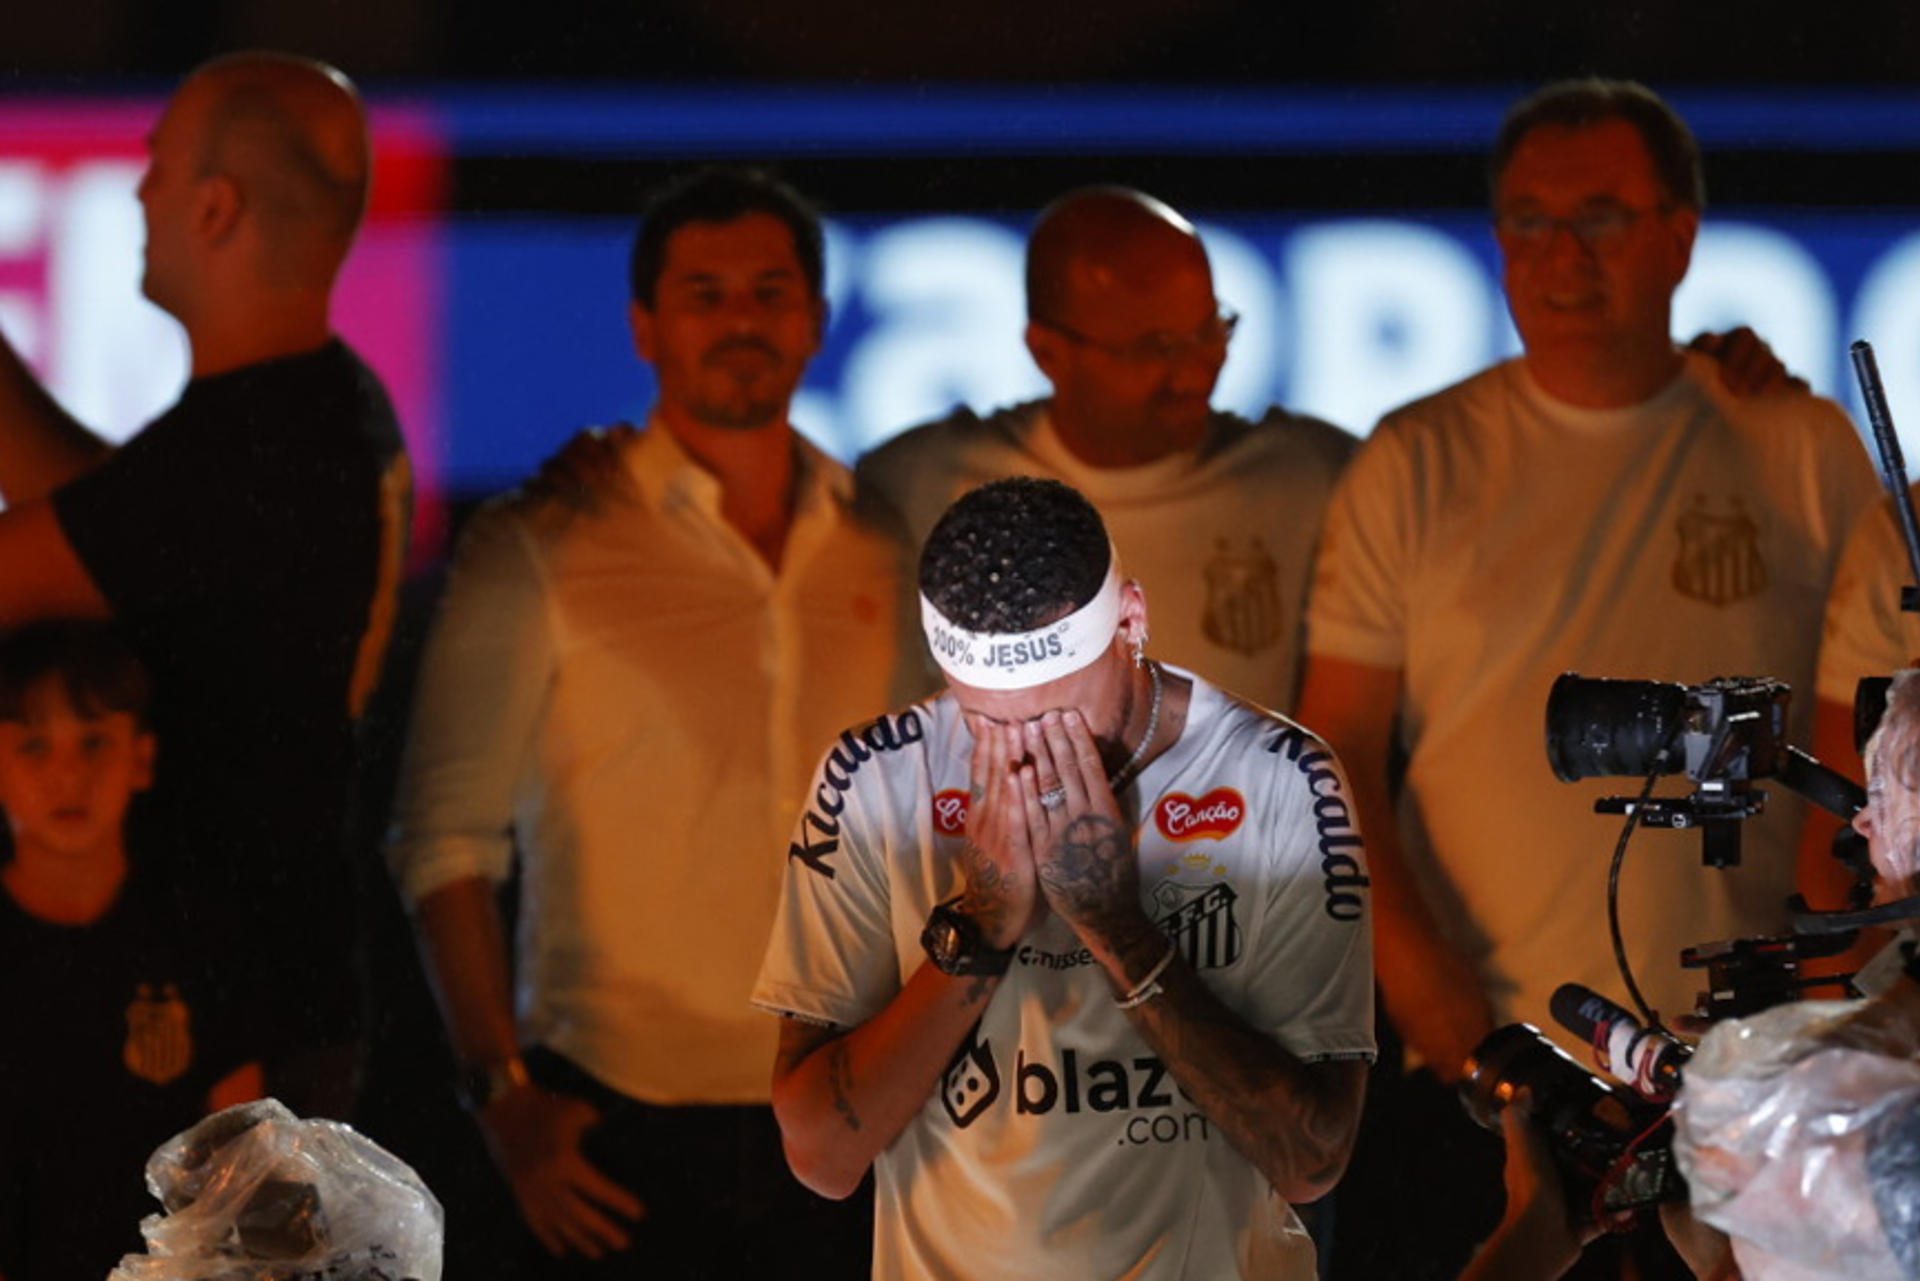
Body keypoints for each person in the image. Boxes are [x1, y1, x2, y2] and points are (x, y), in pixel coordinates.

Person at [1297, 78, 1880, 1279]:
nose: (1562, 257)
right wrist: (1465, 1045)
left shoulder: (1797, 442)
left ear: (1680, 233)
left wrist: (1815, 1033)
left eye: (1603, 217)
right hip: (1485, 1082)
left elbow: (1870, 749)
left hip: (1752, 1079)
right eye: (1529, 221)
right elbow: (1335, 756)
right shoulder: (1415, 460)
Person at [386, 167, 897, 1277]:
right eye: (704, 293)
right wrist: (501, 1099)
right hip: (619, 1124)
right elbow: (441, 842)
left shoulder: (887, 543)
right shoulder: (545, 541)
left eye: (769, 291)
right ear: (645, 325)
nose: (740, 321)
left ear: (814, 318)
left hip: (859, 1109)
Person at [754, 476, 1375, 1280]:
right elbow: (822, 1158)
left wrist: (1116, 926)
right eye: (985, 720)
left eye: (1057, 717)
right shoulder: (877, 776)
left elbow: (1312, 1160)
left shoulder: (1281, 779)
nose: (1025, 755)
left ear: (1132, 621)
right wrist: (978, 923)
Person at [0, 52, 412, 1118]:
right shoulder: (315, 411)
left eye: (158, 166)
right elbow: (113, 518)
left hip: (223, 1032)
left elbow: (77, 544)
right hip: (265, 991)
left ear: (216, 208)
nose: (138, 193)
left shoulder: (247, 454)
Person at [856, 185, 1356, 714]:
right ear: (1048, 351)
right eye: (1153, 349)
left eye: (1210, 330)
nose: (1193, 373)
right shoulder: (919, 483)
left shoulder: (1310, 477)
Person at [0, 622, 263, 1281]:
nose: (69, 773)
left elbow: (242, 1143)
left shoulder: (194, 930)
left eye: (94, 741)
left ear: (141, 758)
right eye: (34, 744)